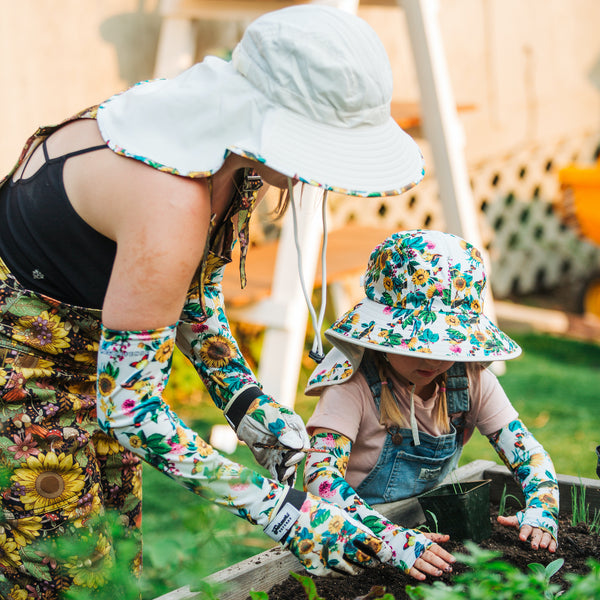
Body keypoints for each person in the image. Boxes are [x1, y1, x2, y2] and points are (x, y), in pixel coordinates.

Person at [0, 5, 435, 597]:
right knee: (65, 576)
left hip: (95, 364)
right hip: (23, 382)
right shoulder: (169, 195)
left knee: (113, 566)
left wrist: (255, 415)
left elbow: (193, 296)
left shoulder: (231, 154)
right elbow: (132, 411)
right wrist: (283, 512)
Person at [303, 229, 560, 581]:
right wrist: (388, 537)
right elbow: (321, 480)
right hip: (350, 537)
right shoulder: (352, 385)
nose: (435, 360)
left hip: (427, 530)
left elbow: (528, 452)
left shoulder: (469, 380)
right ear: (380, 330)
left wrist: (542, 504)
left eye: (445, 344)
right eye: (418, 344)